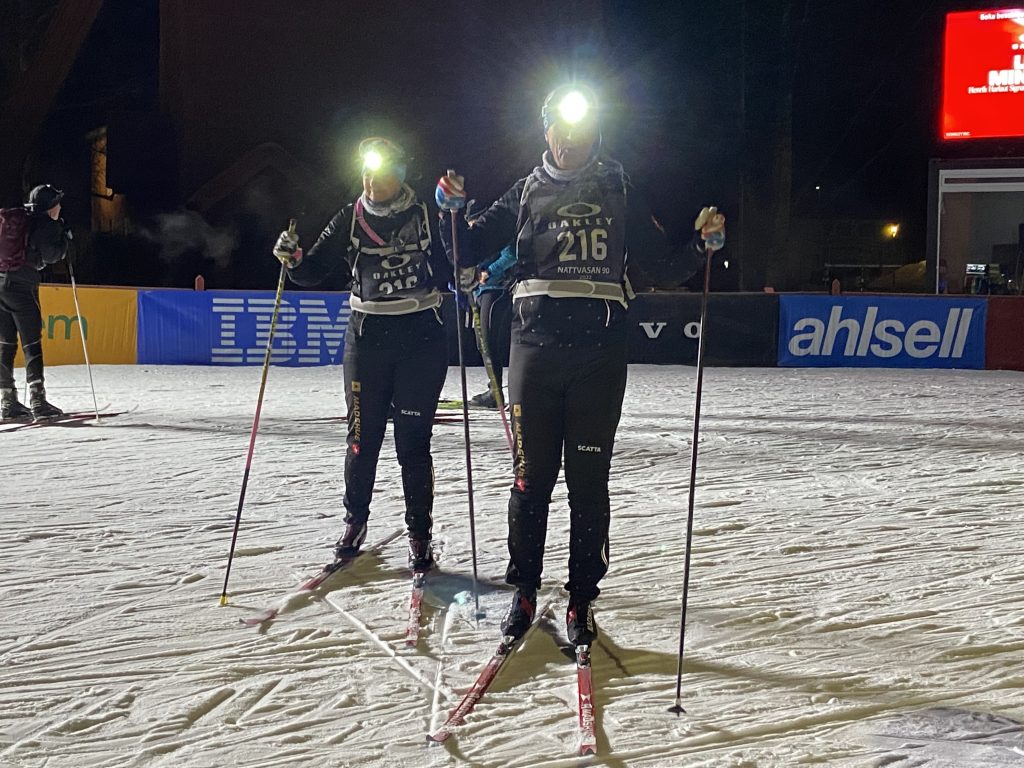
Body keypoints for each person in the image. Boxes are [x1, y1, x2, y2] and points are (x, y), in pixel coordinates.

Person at [435, 83, 725, 647]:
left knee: (588, 485)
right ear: (546, 131)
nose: (569, 140)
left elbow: (661, 265)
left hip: (598, 353)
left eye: (580, 129)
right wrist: (451, 209)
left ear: (594, 133)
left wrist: (700, 245)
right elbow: (466, 251)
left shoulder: (617, 187)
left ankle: (581, 599)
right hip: (535, 351)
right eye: (559, 128)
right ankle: (523, 591)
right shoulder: (525, 190)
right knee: (530, 480)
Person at [272, 137, 451, 573]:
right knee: (360, 439)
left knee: (413, 444)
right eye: (366, 172)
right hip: (367, 340)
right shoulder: (350, 218)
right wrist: (292, 259)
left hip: (420, 339)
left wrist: (465, 257)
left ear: (399, 175)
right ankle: (355, 522)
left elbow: (451, 265)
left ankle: (420, 532)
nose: (371, 181)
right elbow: (313, 270)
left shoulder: (426, 215)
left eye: (381, 172)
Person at [0, 184, 69, 420]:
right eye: (57, 204)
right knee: (31, 343)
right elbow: (51, 255)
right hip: (22, 286)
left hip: (1, 282)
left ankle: (8, 402)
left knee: (6, 343)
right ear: (50, 207)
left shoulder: (20, 220)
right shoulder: (45, 224)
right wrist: (64, 241)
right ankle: (38, 402)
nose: (60, 208)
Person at [467, 238, 514, 409]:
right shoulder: (473, 233)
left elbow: (511, 255)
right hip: (479, 291)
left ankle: (496, 392)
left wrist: (489, 272)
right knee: (481, 344)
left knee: (488, 342)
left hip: (495, 290)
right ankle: (493, 390)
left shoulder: (498, 230)